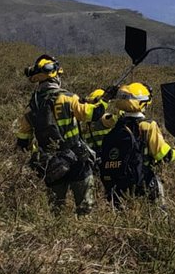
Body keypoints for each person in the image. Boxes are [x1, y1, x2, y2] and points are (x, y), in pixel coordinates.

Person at [14, 55, 108, 215]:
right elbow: (93, 114)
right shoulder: (68, 98)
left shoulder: (32, 107)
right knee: (86, 208)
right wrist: (105, 101)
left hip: (50, 163)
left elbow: (23, 141)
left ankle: (55, 234)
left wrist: (37, 153)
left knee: (55, 210)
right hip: (77, 160)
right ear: (55, 76)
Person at [99, 82, 175, 208]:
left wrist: (107, 97)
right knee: (159, 213)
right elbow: (164, 156)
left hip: (117, 183)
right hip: (142, 181)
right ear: (143, 103)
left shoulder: (115, 122)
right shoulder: (148, 126)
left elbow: (99, 116)